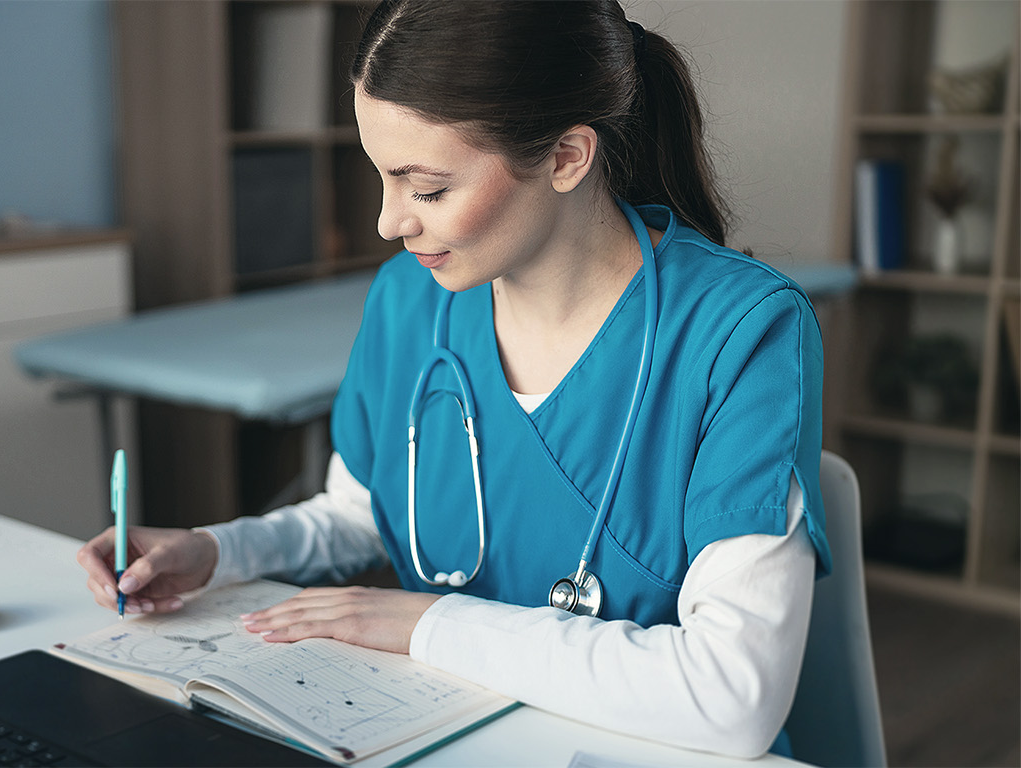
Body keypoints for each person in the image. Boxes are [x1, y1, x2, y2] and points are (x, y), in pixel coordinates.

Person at [78, 0, 829, 758]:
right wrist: (216, 552)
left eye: (428, 190)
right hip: (441, 735)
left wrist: (426, 624)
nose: (389, 223)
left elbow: (731, 696)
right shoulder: (409, 301)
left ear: (567, 156)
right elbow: (365, 513)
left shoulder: (740, 332)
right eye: (381, 177)